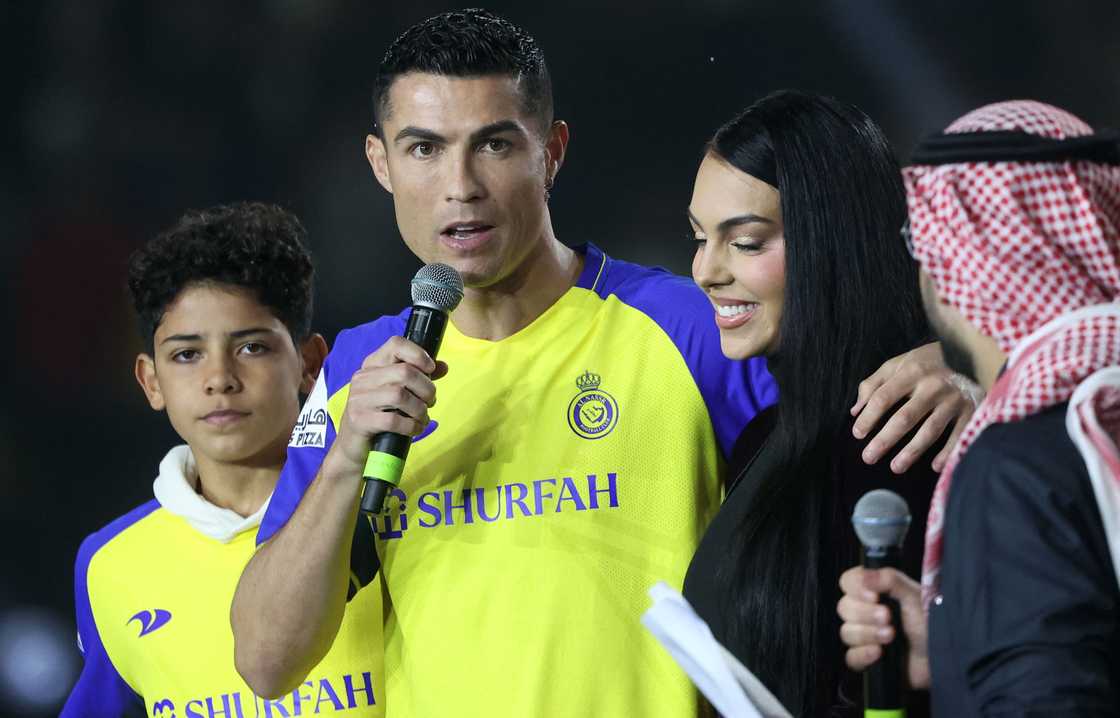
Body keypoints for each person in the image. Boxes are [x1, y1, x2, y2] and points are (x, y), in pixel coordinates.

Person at [230, 10, 974, 716]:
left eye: (494, 144)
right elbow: (268, 662)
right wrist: (343, 461)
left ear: (550, 152)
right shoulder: (357, 370)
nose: (460, 186)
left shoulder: (693, 327)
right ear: (380, 163)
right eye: (424, 148)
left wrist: (959, 372)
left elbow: (860, 426)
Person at [838, 100, 1120, 714]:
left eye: (926, 242)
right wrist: (958, 641)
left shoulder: (1018, 462)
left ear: (959, 262)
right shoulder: (1101, 410)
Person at [62, 203, 385, 717]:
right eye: (187, 354)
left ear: (310, 364)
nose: (219, 378)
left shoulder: (385, 510)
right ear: (150, 381)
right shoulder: (108, 562)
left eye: (252, 347)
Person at [679, 90, 941, 716]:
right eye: (697, 236)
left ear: (834, 241)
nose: (706, 270)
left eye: (744, 242)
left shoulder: (909, 434)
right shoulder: (761, 439)